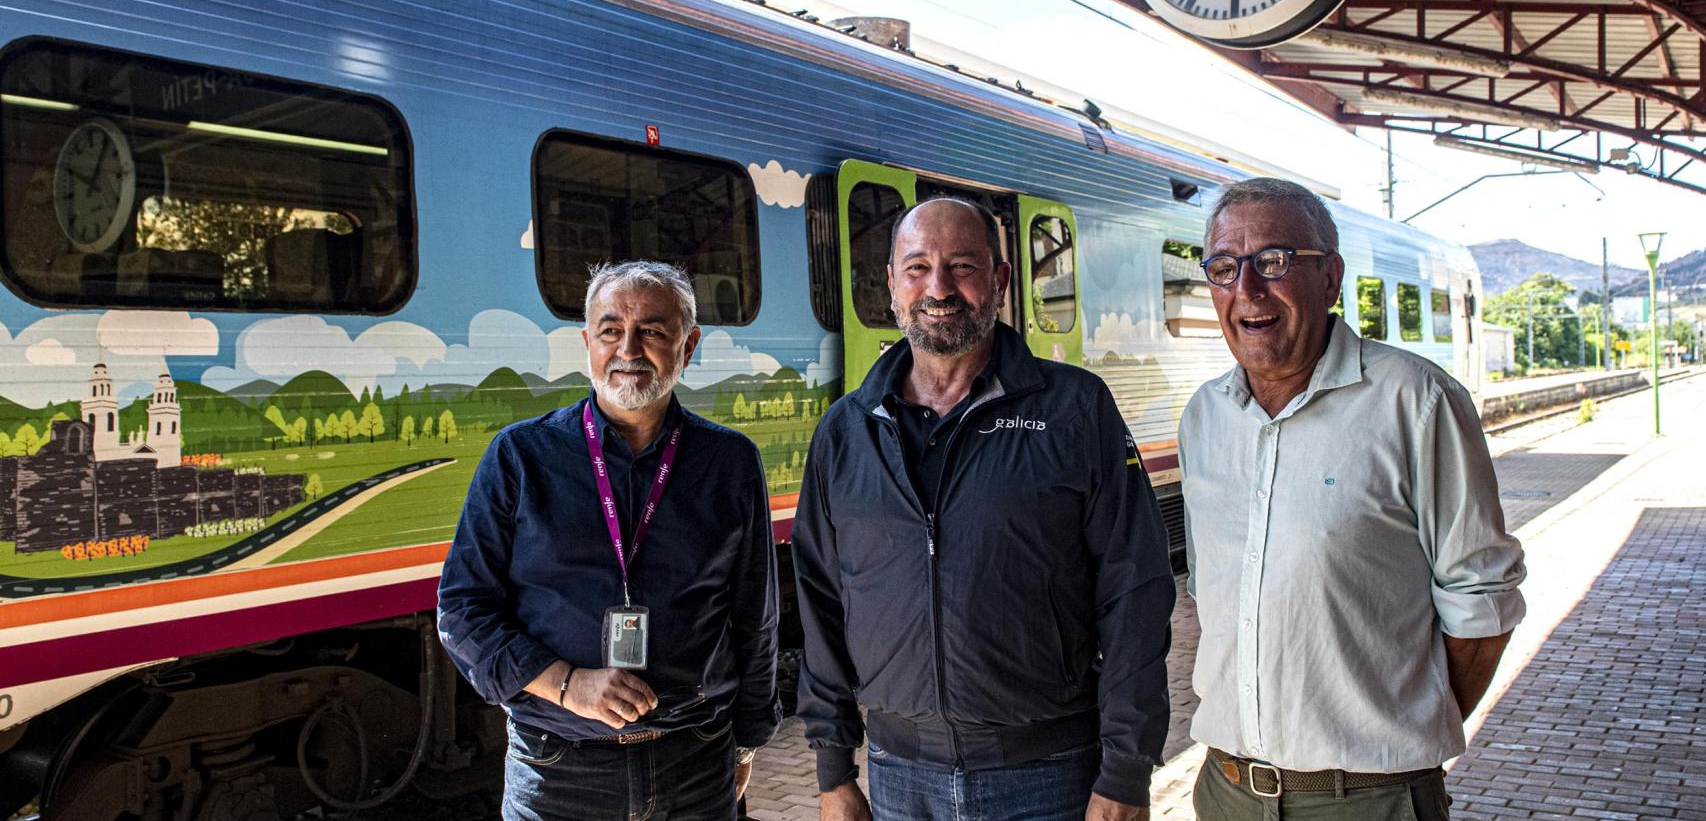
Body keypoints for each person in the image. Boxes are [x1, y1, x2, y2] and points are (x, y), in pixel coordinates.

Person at [793, 197, 1174, 821]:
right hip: (899, 780)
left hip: (1048, 778)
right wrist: (833, 767)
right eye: (916, 267)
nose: (937, 288)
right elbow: (821, 598)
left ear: (999, 281)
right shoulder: (847, 430)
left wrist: (1127, 770)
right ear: (891, 285)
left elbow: (1135, 589)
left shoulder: (1074, 409)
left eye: (961, 266)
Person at [1177, 178, 1525, 819]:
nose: (1247, 290)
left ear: (1330, 277)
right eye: (1224, 268)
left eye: (1274, 263)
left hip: (1368, 798)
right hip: (1224, 792)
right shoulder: (1204, 417)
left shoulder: (1416, 402)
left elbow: (1483, 609)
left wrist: (1396, 734)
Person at [437, 260, 780, 821]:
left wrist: (746, 740)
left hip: (694, 763)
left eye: (652, 330)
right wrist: (569, 686)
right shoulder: (520, 457)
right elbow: (462, 608)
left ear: (687, 345)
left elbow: (753, 616)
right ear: (586, 343)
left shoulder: (729, 462)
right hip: (557, 771)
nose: (629, 349)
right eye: (610, 330)